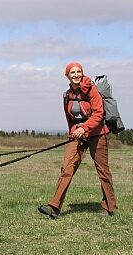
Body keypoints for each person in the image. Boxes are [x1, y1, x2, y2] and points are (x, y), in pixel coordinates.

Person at [38, 62, 117, 219]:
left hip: (97, 134)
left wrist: (84, 128)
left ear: (82, 73)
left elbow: (98, 114)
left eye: (78, 71)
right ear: (67, 75)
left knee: (102, 170)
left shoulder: (91, 90)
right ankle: (54, 207)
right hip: (78, 135)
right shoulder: (67, 95)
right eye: (72, 72)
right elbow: (70, 119)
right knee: (67, 167)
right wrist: (73, 134)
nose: (76, 75)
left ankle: (108, 207)